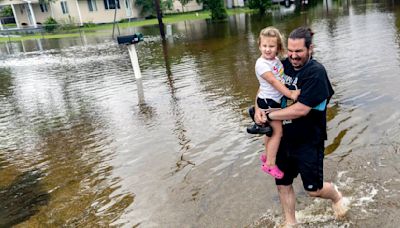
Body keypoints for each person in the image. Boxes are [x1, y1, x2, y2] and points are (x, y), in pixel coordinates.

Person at [254, 27, 348, 226]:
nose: (293, 56)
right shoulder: (281, 65)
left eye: (299, 51)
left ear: (310, 48)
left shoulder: (316, 73)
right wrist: (257, 110)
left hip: (308, 140)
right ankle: (291, 223)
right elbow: (265, 87)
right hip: (283, 137)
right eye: (290, 50)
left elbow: (300, 110)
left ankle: (337, 196)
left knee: (314, 190)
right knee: (283, 183)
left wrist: (269, 114)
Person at [249, 26, 300, 179]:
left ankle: (266, 155)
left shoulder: (275, 60)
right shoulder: (261, 64)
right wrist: (291, 93)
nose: (267, 49)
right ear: (259, 45)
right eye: (264, 46)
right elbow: (273, 81)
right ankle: (270, 164)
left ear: (278, 47)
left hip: (273, 100)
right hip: (269, 102)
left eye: (271, 46)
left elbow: (280, 78)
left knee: (270, 132)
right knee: (278, 133)